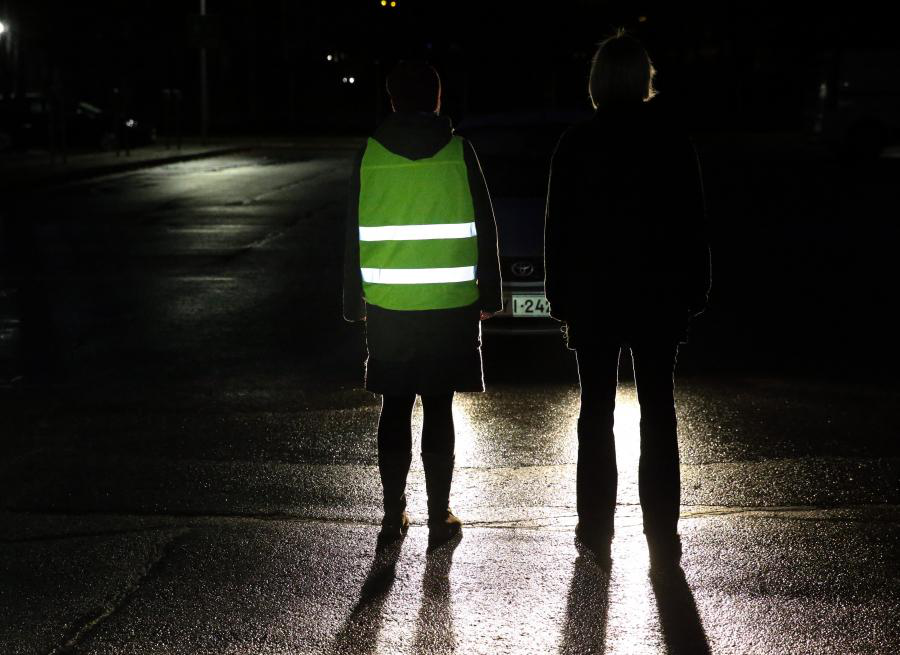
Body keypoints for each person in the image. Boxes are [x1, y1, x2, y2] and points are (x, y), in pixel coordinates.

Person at [544, 31, 711, 567]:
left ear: (596, 82)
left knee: (595, 413)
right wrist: (695, 290)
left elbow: (559, 228)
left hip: (594, 296)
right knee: (658, 412)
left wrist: (560, 296)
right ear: (645, 81)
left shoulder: (575, 143)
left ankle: (596, 526)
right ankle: (662, 532)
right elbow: (692, 221)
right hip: (657, 295)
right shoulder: (672, 141)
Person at [344, 60, 502, 551]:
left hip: (390, 305)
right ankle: (439, 515)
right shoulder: (460, 151)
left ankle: (393, 516)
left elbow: (352, 233)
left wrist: (354, 302)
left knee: (394, 407)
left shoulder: (369, 154)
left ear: (392, 101)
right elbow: (485, 224)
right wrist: (490, 295)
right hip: (449, 305)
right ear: (437, 99)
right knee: (438, 408)